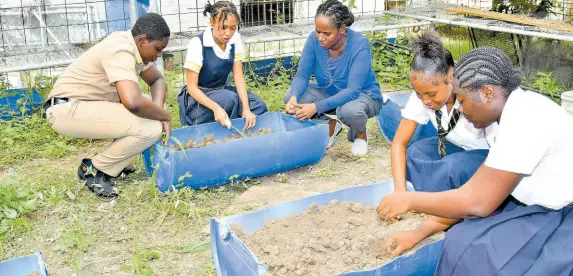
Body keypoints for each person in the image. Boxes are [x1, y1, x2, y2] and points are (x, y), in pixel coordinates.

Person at [377, 47, 573, 275]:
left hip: (560, 212)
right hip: (534, 203)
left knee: (481, 253)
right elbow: (476, 193)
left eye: (461, 100)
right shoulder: (506, 114)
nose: (459, 108)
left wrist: (409, 200)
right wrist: (417, 233)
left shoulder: (525, 121)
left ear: (488, 93)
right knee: (463, 239)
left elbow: (477, 202)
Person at [44, 13, 172, 198]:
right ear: (143, 40)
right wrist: (163, 117)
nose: (159, 55)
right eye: (158, 49)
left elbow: (157, 79)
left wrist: (158, 110)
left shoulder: (132, 45)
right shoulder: (120, 50)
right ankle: (94, 170)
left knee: (150, 111)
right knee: (151, 127)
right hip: (67, 110)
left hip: (84, 104)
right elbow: (133, 102)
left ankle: (113, 166)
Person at [386, 33, 496, 193]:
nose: (424, 101)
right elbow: (398, 143)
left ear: (450, 77)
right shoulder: (424, 93)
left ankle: (450, 189)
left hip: (487, 155)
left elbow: (503, 153)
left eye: (431, 94)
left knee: (454, 168)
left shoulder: (474, 95)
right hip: (457, 148)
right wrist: (399, 192)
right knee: (414, 154)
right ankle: (444, 185)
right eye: (418, 93)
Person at [284, 0, 383, 156]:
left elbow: (353, 90)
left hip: (362, 97)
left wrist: (316, 107)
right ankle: (329, 125)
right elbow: (302, 75)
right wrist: (295, 96)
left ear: (342, 29)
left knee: (350, 110)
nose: (320, 38)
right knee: (291, 96)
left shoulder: (360, 45)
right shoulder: (313, 40)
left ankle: (360, 135)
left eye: (327, 33)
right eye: (318, 31)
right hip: (329, 92)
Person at [178, 1, 268, 129]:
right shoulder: (198, 43)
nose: (228, 33)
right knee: (229, 100)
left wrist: (246, 109)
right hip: (199, 97)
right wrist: (216, 108)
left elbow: (238, 77)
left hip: (222, 90)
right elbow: (192, 87)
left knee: (258, 106)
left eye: (233, 28)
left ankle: (237, 126)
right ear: (211, 22)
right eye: (223, 27)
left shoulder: (234, 40)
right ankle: (227, 129)